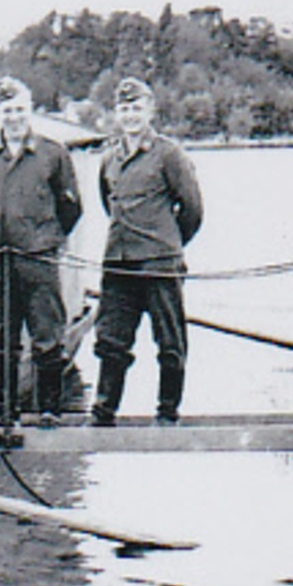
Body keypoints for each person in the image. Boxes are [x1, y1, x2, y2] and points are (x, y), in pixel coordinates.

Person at [0, 76, 82, 427]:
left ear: (30, 111)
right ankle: (5, 409)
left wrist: (45, 238)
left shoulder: (52, 154)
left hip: (38, 259)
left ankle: (49, 408)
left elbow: (71, 207)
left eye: (20, 109)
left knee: (47, 334)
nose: (14, 117)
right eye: (7, 110)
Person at [92, 78, 204, 426]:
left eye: (136, 107)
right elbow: (108, 203)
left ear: (151, 110)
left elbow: (192, 210)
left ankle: (167, 411)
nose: (130, 115)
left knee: (169, 342)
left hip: (159, 265)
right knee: (111, 341)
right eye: (124, 109)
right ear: (116, 114)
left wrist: (166, 244)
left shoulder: (169, 155)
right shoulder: (109, 158)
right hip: (119, 264)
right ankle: (103, 411)